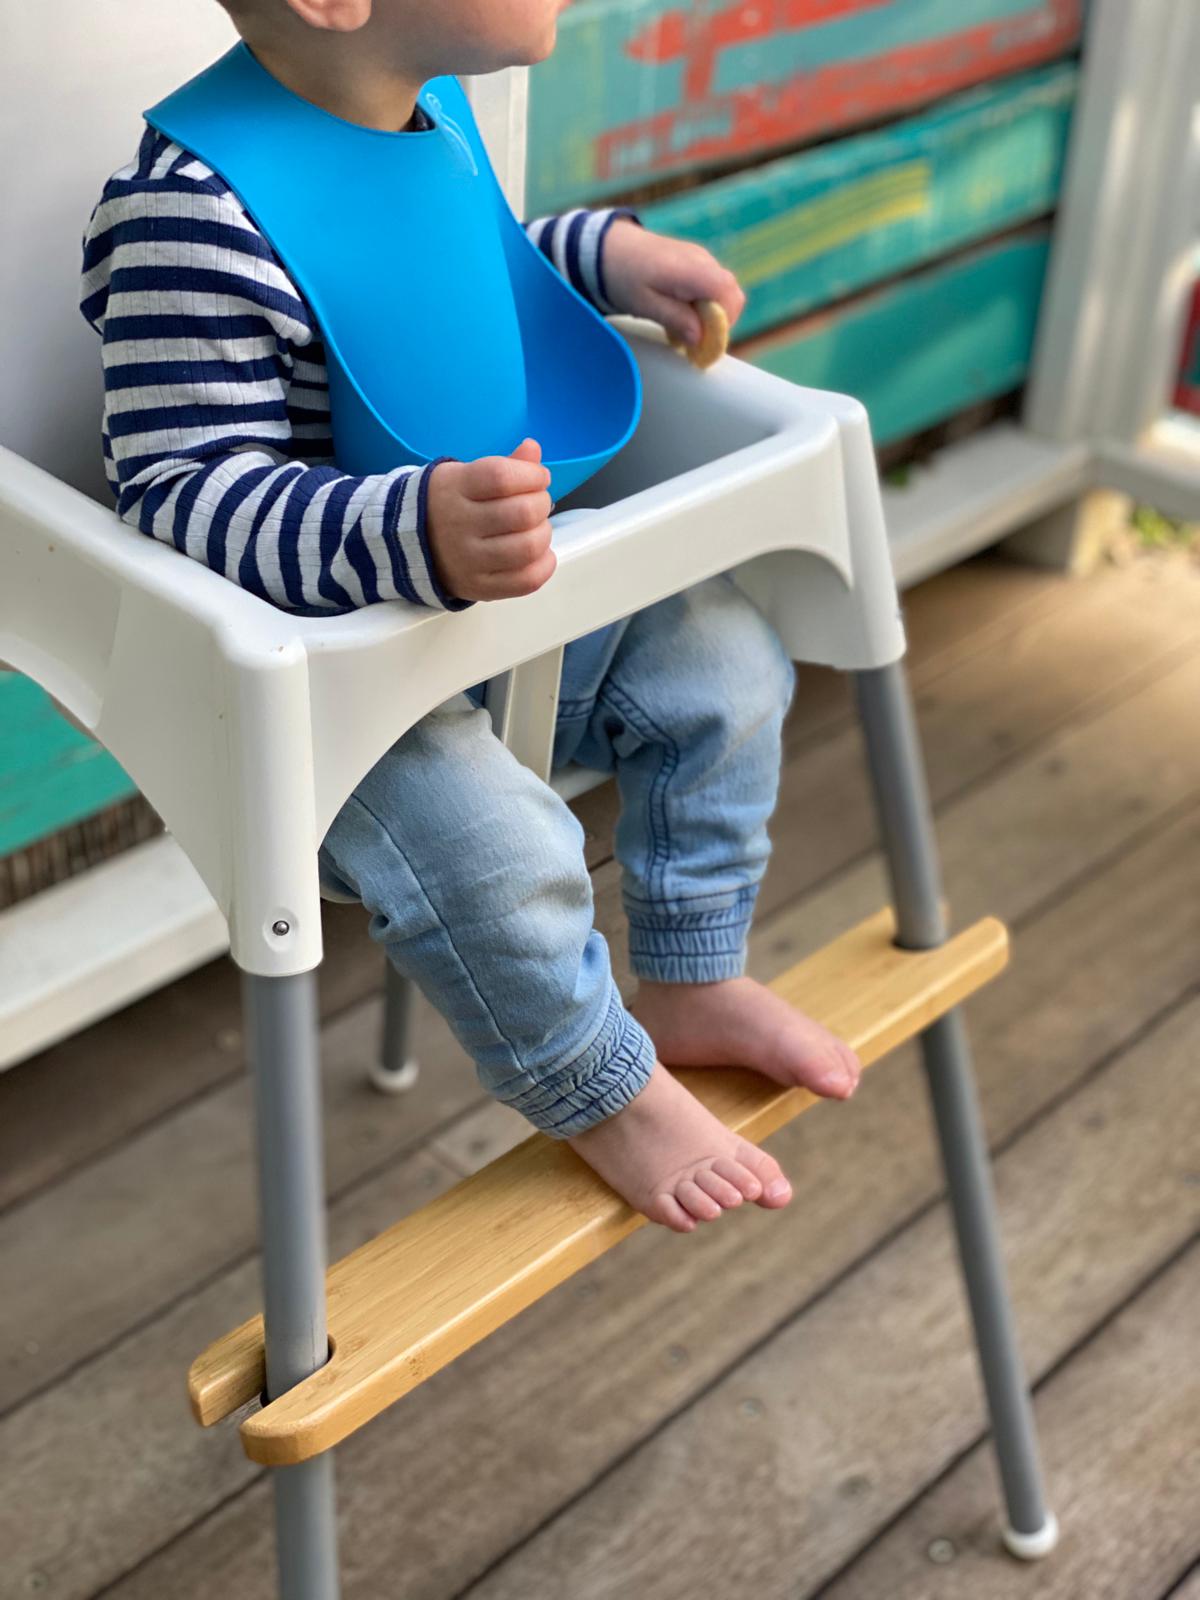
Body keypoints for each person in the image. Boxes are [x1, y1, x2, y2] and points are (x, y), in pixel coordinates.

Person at [78, 0, 862, 1233]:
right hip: (329, 710)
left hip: (498, 616)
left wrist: (604, 258)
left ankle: (695, 972)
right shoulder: (188, 218)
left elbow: (465, 271)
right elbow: (181, 490)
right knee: (502, 847)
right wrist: (408, 529)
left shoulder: (422, 112)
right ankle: (600, 1084)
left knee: (726, 662)